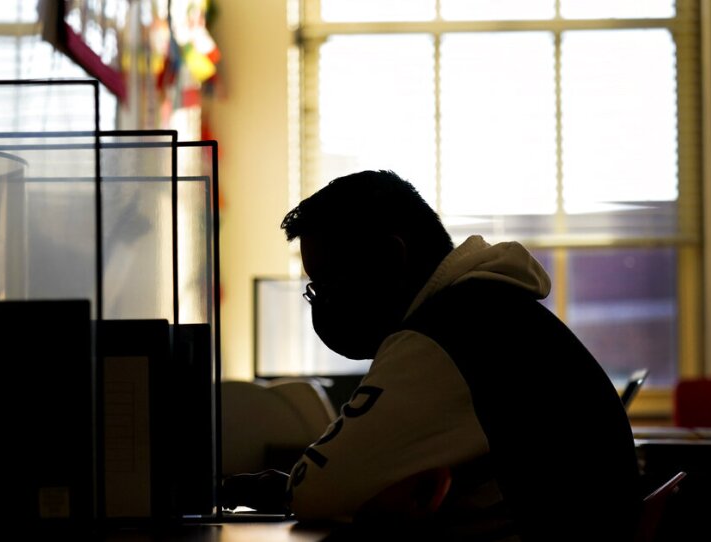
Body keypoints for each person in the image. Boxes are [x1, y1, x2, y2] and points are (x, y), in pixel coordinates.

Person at [221, 170, 641, 541]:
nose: (322, 304)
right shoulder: (492, 309)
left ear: (390, 258)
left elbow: (316, 490)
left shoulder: (444, 335)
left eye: (329, 285)